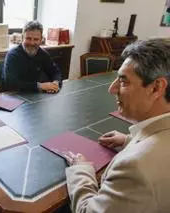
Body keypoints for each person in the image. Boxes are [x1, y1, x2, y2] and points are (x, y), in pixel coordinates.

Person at [65, 39, 170, 212]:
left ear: (156, 88)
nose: (112, 89)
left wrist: (81, 172)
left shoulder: (135, 168)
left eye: (123, 81)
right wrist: (129, 140)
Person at [3, 20, 62, 93]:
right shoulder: (12, 55)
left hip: (34, 96)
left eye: (36, 39)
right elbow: (11, 83)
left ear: (41, 40)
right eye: (28, 38)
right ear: (22, 38)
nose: (32, 43)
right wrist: (40, 86)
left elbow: (55, 71)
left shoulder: (43, 54)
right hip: (14, 96)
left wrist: (55, 83)